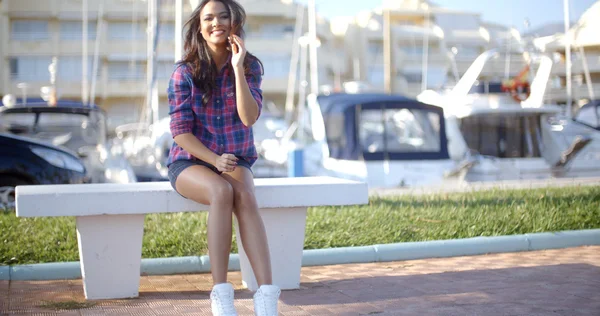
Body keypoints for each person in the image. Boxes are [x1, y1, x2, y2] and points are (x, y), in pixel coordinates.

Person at [166, 1, 279, 315]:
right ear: (200, 27)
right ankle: (221, 294)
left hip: (235, 158)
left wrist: (237, 67)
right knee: (221, 191)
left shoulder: (251, 65)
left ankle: (266, 296)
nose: (216, 22)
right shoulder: (184, 71)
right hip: (191, 160)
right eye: (208, 18)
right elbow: (179, 132)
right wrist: (214, 160)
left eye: (223, 16)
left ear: (235, 22)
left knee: (244, 194)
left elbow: (249, 117)